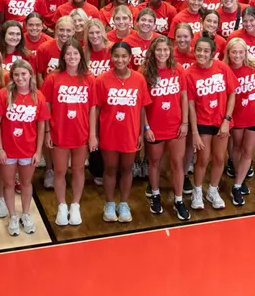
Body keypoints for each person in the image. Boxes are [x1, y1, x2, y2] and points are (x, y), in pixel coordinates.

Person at [92, 42, 151, 222]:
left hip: (131, 133)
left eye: (124, 56)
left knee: (127, 169)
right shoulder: (101, 80)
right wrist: (94, 135)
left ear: (130, 58)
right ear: (111, 57)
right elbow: (96, 109)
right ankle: (109, 203)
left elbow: (141, 108)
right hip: (109, 133)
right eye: (116, 56)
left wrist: (141, 132)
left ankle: (123, 203)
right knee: (110, 169)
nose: (120, 59)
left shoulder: (139, 79)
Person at [40, 39, 95, 227]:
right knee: (60, 170)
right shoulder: (53, 78)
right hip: (58, 132)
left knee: (79, 169)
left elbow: (93, 109)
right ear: (63, 56)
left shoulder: (89, 78)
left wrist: (93, 135)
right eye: (68, 53)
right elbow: (45, 107)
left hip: (81, 132)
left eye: (75, 53)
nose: (72, 57)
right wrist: (47, 131)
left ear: (81, 56)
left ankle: (76, 205)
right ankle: (62, 204)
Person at [0, 60, 47, 235]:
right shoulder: (3, 95)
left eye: (23, 74)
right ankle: (13, 216)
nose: (20, 78)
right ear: (12, 76)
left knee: (25, 183)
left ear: (30, 74)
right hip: (8, 150)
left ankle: (25, 214)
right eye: (16, 74)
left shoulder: (38, 96)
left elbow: (41, 126)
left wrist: (38, 151)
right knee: (8, 184)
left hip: (28, 149)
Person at [183, 36, 237, 210]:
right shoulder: (189, 74)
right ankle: (197, 191)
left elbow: (232, 94)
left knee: (220, 158)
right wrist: (196, 133)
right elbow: (190, 105)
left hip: (221, 121)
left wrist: (227, 120)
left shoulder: (222, 68)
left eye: (206, 51)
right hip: (202, 122)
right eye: (199, 50)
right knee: (203, 159)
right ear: (194, 50)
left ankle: (213, 190)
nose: (202, 54)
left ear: (213, 53)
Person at [141, 36, 190, 219]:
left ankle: (178, 200)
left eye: (165, 50)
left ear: (170, 51)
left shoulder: (178, 71)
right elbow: (142, 105)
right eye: (158, 50)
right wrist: (146, 128)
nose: (162, 53)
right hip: (155, 127)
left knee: (177, 163)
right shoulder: (145, 73)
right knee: (154, 162)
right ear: (152, 52)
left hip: (176, 126)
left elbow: (184, 97)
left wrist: (184, 123)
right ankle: (155, 194)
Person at [224, 38, 255, 206]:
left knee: (248, 151)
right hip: (236, 117)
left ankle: (237, 185)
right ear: (228, 53)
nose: (237, 55)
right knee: (236, 148)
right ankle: (239, 176)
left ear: (246, 53)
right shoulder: (224, 70)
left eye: (241, 52)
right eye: (234, 52)